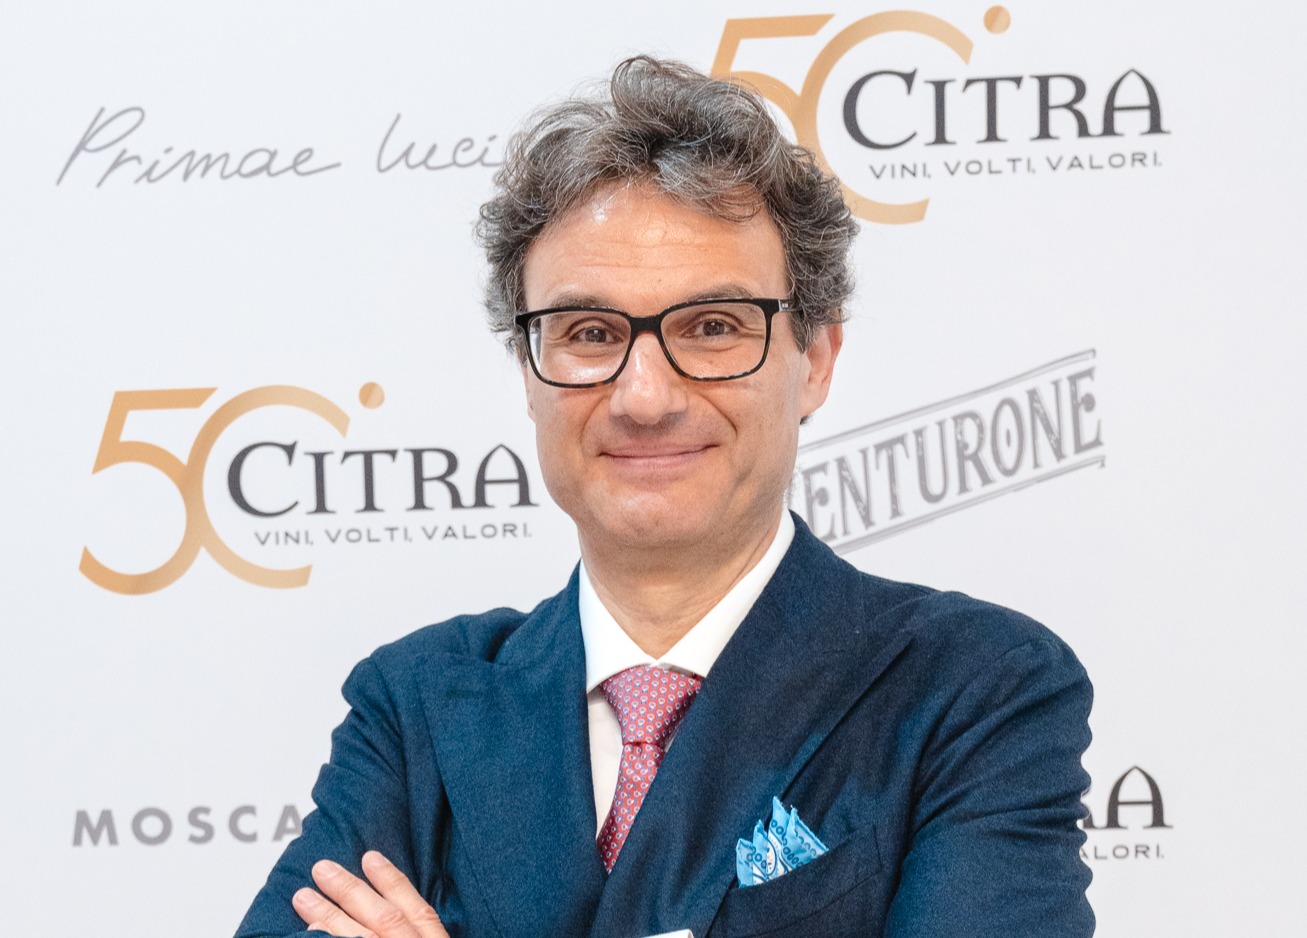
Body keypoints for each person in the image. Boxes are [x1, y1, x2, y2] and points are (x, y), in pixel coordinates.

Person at [236, 56, 1094, 938]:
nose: (644, 397)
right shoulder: (416, 703)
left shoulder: (972, 687)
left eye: (712, 327)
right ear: (528, 372)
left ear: (814, 360)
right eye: (588, 333)